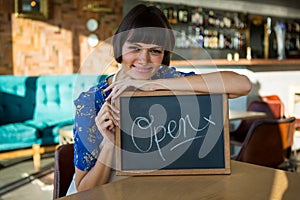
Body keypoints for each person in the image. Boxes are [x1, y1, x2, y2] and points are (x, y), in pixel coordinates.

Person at [67, 4, 251, 195]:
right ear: (119, 48)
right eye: (135, 48)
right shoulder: (90, 103)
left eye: (155, 51)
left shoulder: (167, 80)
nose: (144, 59)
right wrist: (110, 145)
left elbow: (242, 85)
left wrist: (156, 85)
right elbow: (84, 189)